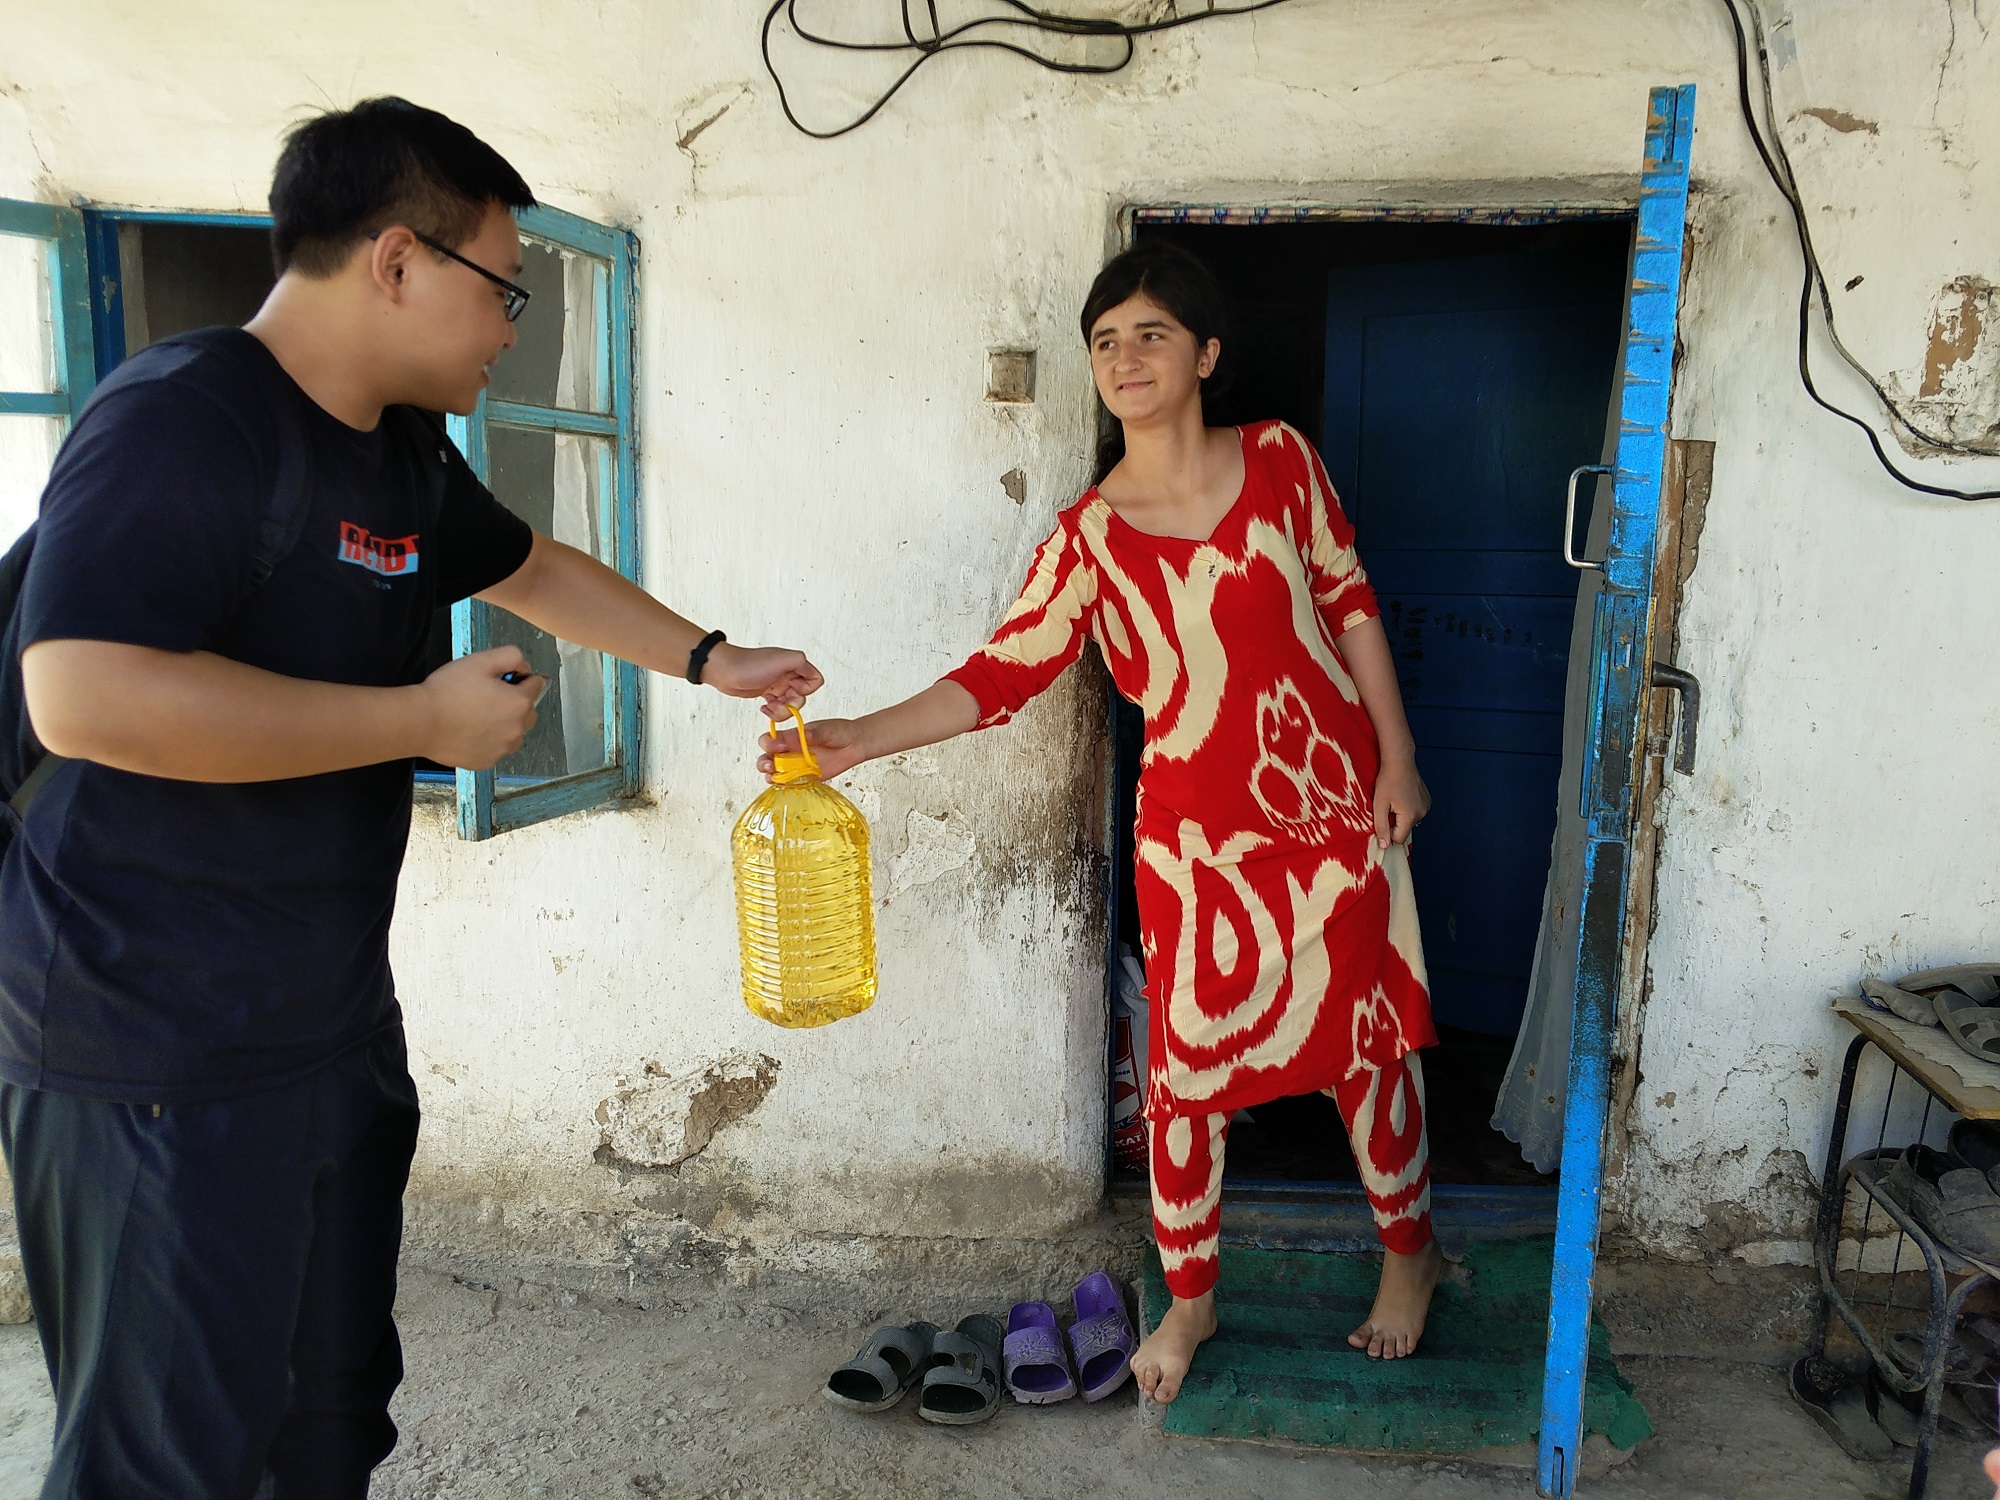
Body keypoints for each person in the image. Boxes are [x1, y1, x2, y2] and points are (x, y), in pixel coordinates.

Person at [1, 98, 820, 1498]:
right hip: (151, 1052)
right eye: (502, 285)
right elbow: (83, 694)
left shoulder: (392, 449)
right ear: (394, 261)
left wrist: (708, 657)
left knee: (325, 1425)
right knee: (168, 1458)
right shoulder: (185, 420)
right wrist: (417, 723)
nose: (512, 322)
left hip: (322, 1033)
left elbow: (533, 566)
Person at [760, 241, 1440, 1403]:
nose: (1125, 358)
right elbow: (1000, 673)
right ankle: (1191, 1299)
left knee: (1370, 1057)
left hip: (1332, 816)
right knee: (1184, 1079)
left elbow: (1350, 599)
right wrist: (856, 736)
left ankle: (1408, 1261)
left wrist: (1399, 755)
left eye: (1151, 334)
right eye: (1105, 341)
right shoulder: (1087, 539)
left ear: (1205, 354)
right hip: (1192, 850)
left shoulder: (1280, 462)